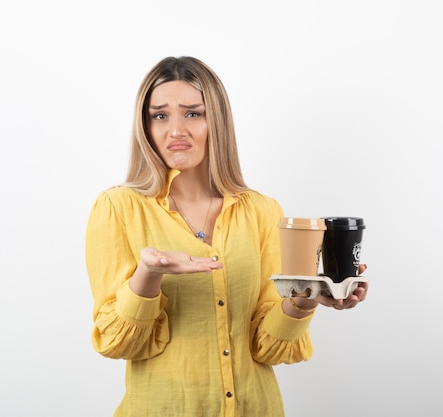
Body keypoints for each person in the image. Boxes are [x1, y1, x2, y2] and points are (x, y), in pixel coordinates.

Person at [84, 56, 368, 417]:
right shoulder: (117, 207)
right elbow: (115, 342)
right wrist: (148, 273)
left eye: (192, 113)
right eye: (160, 115)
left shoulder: (263, 210)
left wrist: (307, 299)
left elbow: (268, 347)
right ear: (145, 126)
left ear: (216, 120)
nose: (176, 130)